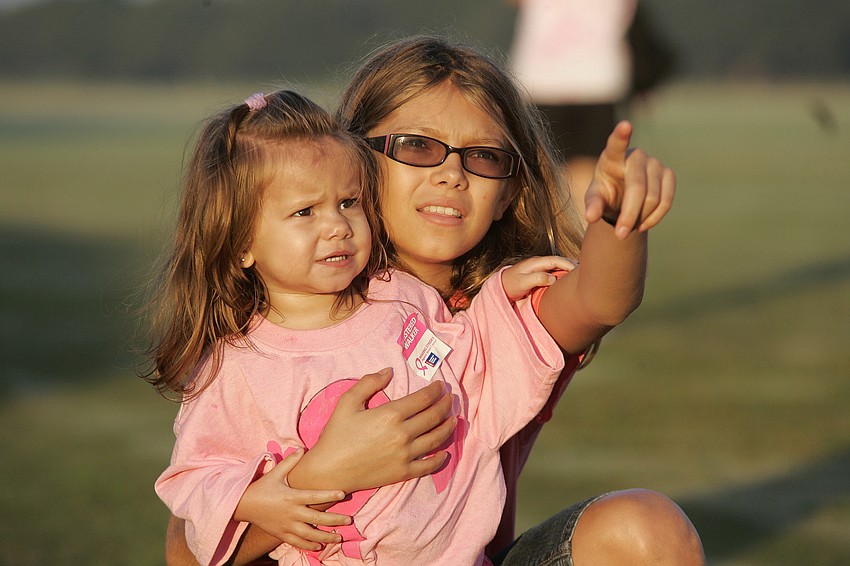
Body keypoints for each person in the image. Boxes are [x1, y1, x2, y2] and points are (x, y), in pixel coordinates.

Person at [163, 36, 704, 565]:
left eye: (484, 157)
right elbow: (185, 552)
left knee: (645, 529)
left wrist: (617, 221)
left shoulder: (499, 308)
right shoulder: (276, 322)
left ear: (509, 191)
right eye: (417, 146)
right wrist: (324, 474)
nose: (452, 174)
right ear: (356, 160)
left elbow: (599, 301)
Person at [509, 0, 673, 223]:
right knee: (583, 179)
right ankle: (580, 246)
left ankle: (568, 246)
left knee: (544, 179)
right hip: (593, 80)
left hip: (548, 80)